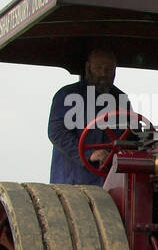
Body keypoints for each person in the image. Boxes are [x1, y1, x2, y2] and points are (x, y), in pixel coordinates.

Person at [48, 47, 136, 185]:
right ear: (88, 67)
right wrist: (89, 154)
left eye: (108, 69)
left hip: (110, 182)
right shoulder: (68, 95)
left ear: (115, 71)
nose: (103, 74)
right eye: (98, 68)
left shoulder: (121, 99)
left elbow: (132, 136)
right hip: (73, 183)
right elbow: (57, 133)